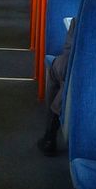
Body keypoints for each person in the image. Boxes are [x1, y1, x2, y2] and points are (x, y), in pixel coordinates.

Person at [37, 21, 74, 156]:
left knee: (63, 71)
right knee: (71, 74)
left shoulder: (88, 12)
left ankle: (50, 134)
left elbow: (70, 54)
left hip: (77, 69)